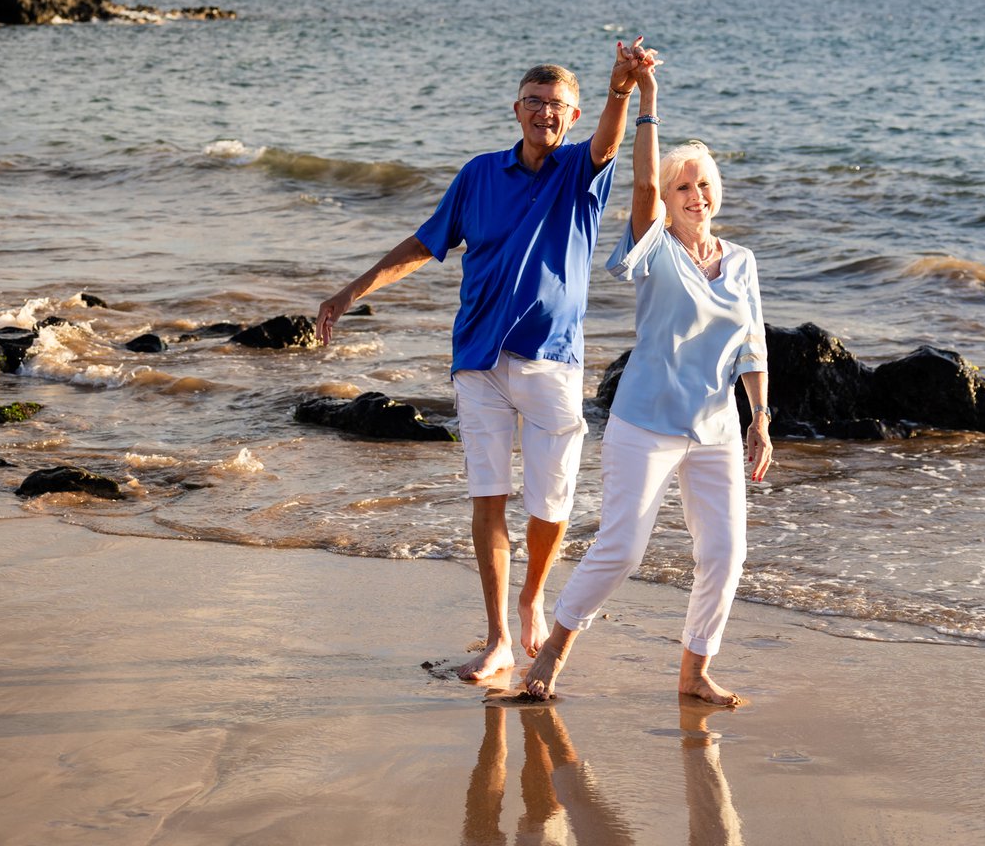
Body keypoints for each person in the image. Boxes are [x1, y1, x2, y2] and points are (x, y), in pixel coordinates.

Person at [317, 46, 640, 681]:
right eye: (533, 102)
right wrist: (351, 291)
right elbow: (424, 242)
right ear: (516, 109)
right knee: (487, 498)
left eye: (556, 106)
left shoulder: (582, 170)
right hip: (478, 360)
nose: (544, 113)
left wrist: (620, 91)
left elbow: (608, 142)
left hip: (552, 360)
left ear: (571, 116)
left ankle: (533, 596)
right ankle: (497, 638)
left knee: (551, 503)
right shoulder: (478, 175)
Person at [521, 45, 774, 706]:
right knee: (623, 549)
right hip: (645, 422)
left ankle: (694, 674)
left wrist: (761, 420)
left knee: (725, 553)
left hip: (716, 426)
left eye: (703, 184)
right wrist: (649, 99)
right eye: (682, 186)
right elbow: (638, 186)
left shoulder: (741, 261)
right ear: (666, 198)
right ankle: (553, 652)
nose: (696, 196)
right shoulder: (653, 246)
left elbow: (753, 344)